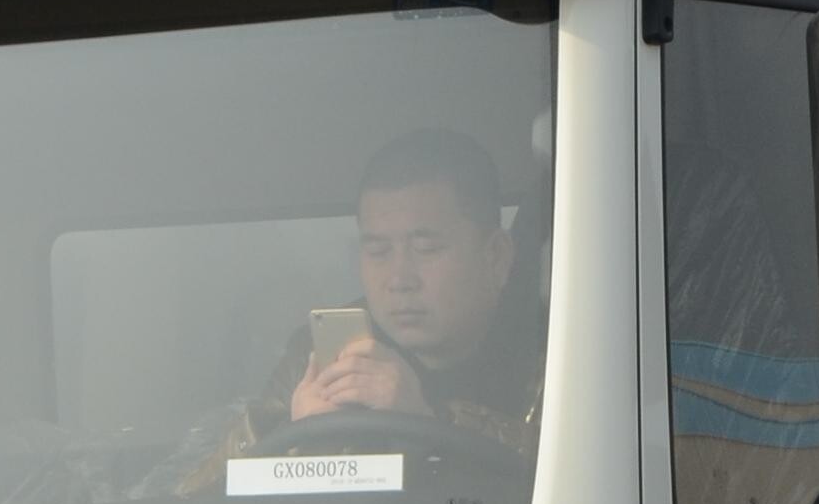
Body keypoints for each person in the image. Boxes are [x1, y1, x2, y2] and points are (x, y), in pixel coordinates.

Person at [161, 129, 539, 484]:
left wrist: (430, 423)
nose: (399, 278)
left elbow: (571, 487)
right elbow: (192, 502)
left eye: (426, 249)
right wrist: (289, 434)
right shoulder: (322, 355)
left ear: (496, 257)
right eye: (378, 252)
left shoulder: (557, 349)